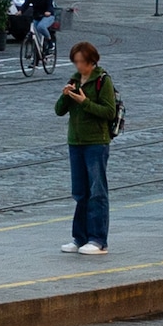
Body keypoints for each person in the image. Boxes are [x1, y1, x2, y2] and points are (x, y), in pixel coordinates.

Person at [53, 40, 121, 253]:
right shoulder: (74, 79)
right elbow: (59, 110)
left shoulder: (102, 80)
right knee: (80, 192)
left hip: (96, 143)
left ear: (91, 61)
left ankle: (98, 240)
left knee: (97, 191)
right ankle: (80, 237)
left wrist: (85, 102)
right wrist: (66, 96)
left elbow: (109, 112)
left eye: (81, 62)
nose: (78, 66)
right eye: (75, 62)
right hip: (76, 142)